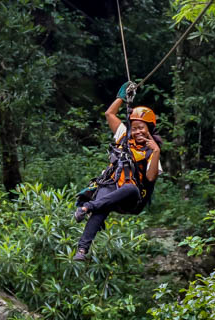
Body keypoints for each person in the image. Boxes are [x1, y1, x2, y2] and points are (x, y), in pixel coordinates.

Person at [73, 83, 162, 261]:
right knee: (101, 206)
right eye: (135, 127)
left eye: (142, 127)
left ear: (149, 130)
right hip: (111, 186)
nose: (137, 131)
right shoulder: (123, 136)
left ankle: (87, 207)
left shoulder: (152, 152)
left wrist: (156, 152)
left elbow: (151, 177)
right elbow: (109, 114)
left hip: (131, 198)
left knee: (130, 189)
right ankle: (82, 250)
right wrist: (122, 97)